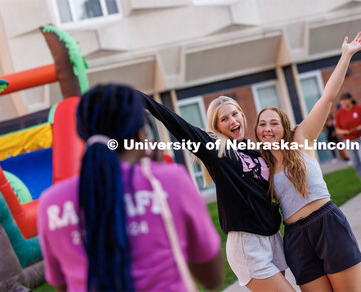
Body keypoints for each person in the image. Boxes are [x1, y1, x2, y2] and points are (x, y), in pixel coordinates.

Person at [38, 84, 223, 291]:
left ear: (83, 133)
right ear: (141, 131)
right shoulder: (171, 182)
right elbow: (212, 278)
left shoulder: (51, 203)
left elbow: (62, 286)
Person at [139, 93, 294, 290]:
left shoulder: (256, 150)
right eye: (224, 119)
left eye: (235, 114)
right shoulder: (216, 150)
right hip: (248, 244)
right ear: (217, 126)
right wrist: (143, 100)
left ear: (242, 116)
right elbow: (177, 124)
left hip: (273, 238)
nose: (233, 121)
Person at [255, 31, 361, 292]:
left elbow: (327, 97)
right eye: (262, 125)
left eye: (273, 123)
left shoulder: (302, 139)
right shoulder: (260, 164)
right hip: (295, 239)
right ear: (257, 132)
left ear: (284, 127)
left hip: (327, 225)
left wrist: (346, 55)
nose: (267, 128)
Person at [335, 92, 361, 194]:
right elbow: (337, 129)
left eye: (346, 100)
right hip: (348, 140)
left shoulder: (359, 109)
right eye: (342, 101)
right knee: (356, 162)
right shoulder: (339, 114)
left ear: (350, 100)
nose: (344, 103)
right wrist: (344, 132)